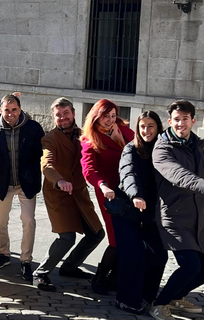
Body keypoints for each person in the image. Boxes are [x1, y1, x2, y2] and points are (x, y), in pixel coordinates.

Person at [150, 100, 204, 320]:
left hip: (199, 217)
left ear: (192, 121)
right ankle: (159, 304)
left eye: (185, 119)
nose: (180, 124)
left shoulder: (200, 145)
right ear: (170, 121)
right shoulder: (162, 149)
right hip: (175, 218)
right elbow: (181, 177)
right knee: (191, 266)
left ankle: (176, 297)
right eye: (176, 120)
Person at [32, 98, 105, 292]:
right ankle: (40, 273)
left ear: (73, 113)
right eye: (58, 115)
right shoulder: (50, 138)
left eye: (66, 113)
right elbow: (46, 164)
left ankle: (70, 266)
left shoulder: (85, 135)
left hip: (79, 193)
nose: (63, 118)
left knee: (96, 233)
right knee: (67, 237)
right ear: (53, 117)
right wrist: (59, 181)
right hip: (59, 194)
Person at [0, 94, 44, 281]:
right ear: (1, 110)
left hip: (26, 184)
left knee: (28, 221)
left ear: (20, 109)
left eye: (14, 110)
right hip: (3, 183)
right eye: (7, 110)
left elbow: (43, 153)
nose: (11, 114)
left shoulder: (33, 128)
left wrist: (37, 171)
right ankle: (4, 254)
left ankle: (26, 260)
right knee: (0, 222)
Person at [113, 111, 168, 315]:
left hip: (151, 213)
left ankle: (146, 296)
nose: (146, 130)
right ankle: (125, 300)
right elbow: (128, 173)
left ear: (158, 127)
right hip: (127, 211)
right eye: (143, 126)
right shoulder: (131, 149)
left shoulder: (164, 149)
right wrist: (136, 195)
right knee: (133, 256)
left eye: (151, 126)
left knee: (159, 255)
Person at [80, 98, 134, 295]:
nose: (110, 120)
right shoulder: (89, 138)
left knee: (129, 235)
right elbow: (89, 169)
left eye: (113, 115)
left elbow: (140, 146)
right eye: (105, 116)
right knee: (115, 238)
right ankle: (100, 277)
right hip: (108, 191)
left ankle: (115, 278)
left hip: (129, 188)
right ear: (97, 116)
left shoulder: (122, 129)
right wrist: (102, 185)